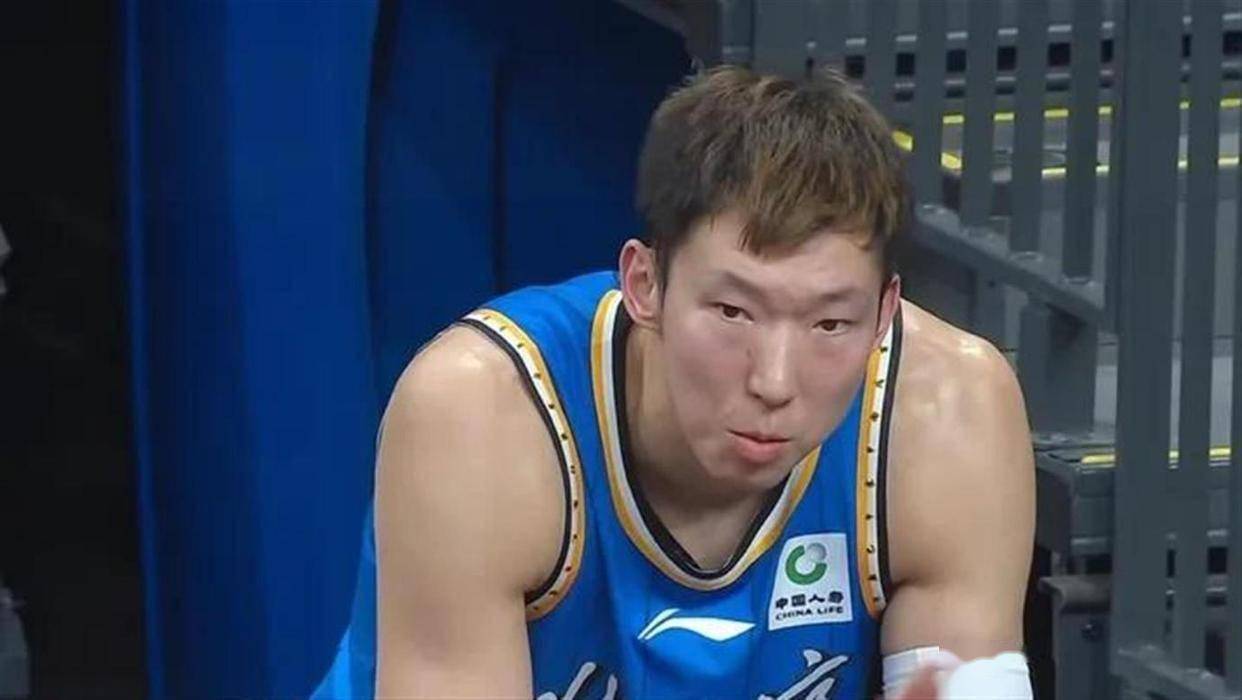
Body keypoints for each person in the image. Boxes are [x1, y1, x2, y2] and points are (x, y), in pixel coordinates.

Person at [313, 65, 1035, 700]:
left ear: (884, 312)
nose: (774, 381)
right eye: (732, 312)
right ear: (645, 283)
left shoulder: (946, 413)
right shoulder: (483, 414)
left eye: (830, 324)